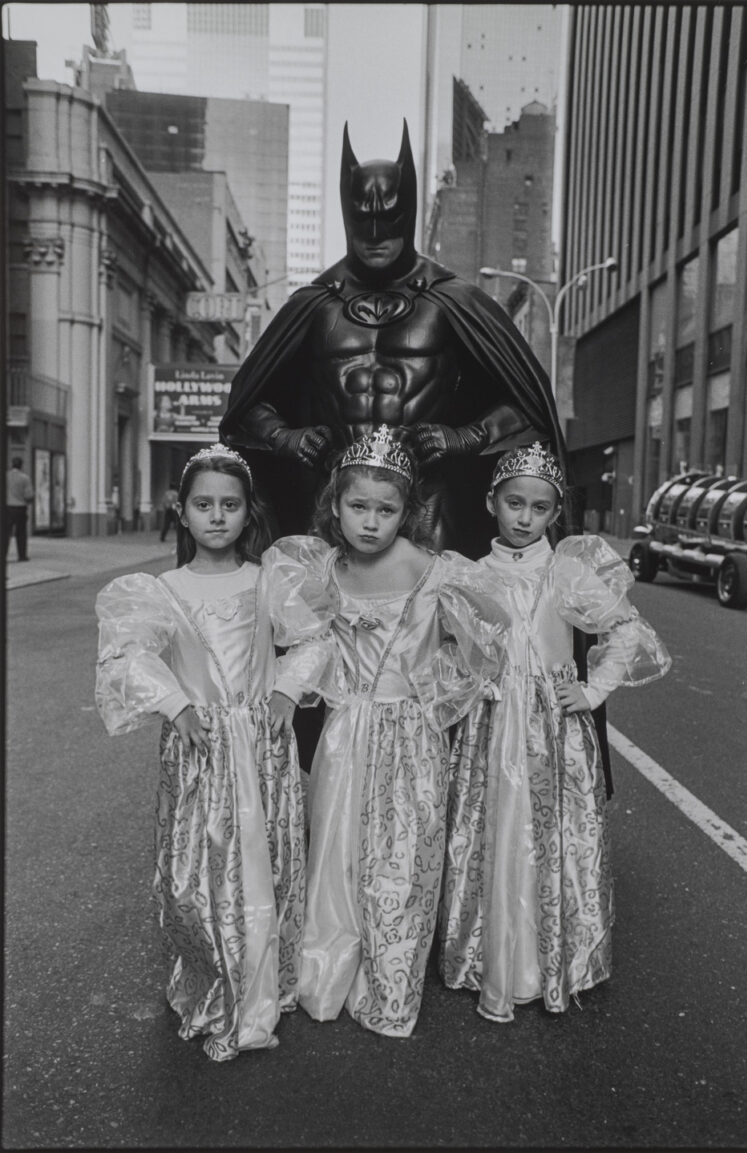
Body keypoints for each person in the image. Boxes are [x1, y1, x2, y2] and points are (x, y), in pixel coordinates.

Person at [220, 121, 566, 559]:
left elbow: (528, 401)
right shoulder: (316, 304)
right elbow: (246, 402)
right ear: (348, 213)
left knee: (429, 619)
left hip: (427, 504)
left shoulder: (450, 300)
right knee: (322, 620)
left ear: (409, 211)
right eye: (364, 217)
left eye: (390, 216)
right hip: (335, 503)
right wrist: (284, 436)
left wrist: (468, 436)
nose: (377, 231)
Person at [94, 443, 332, 1062]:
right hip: (199, 750)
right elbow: (128, 655)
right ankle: (212, 976)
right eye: (204, 504)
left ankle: (258, 985)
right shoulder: (161, 589)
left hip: (259, 746)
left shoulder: (266, 582)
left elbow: (313, 640)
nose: (218, 516)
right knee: (201, 870)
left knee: (263, 860)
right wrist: (176, 704)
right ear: (183, 511)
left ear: (249, 513)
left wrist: (284, 689)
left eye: (230, 505)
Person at [272, 426, 510, 1037]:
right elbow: (309, 645)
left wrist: (436, 693)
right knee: (336, 847)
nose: (371, 523)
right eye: (358, 507)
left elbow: (480, 647)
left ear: (409, 511)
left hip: (412, 735)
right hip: (346, 731)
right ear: (335, 505)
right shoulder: (319, 568)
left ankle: (391, 979)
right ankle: (327, 967)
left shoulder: (437, 572)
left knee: (403, 856)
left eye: (387, 509)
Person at [439, 443, 671, 1021]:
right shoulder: (469, 573)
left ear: (554, 514)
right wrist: (472, 680)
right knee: (491, 827)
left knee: (549, 834)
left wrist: (591, 692)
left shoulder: (565, 571)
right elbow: (448, 650)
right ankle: (486, 954)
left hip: (551, 727)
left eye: (539, 509)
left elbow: (624, 629)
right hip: (491, 725)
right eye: (514, 503)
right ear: (491, 501)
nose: (524, 518)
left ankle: (551, 959)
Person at [5, 456, 34, 561]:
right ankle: (22, 556)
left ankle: (3, 555)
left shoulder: (5, 476)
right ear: (21, 465)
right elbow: (29, 495)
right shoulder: (25, 478)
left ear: (12, 464)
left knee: (5, 533)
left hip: (7, 507)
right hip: (20, 508)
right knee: (21, 533)